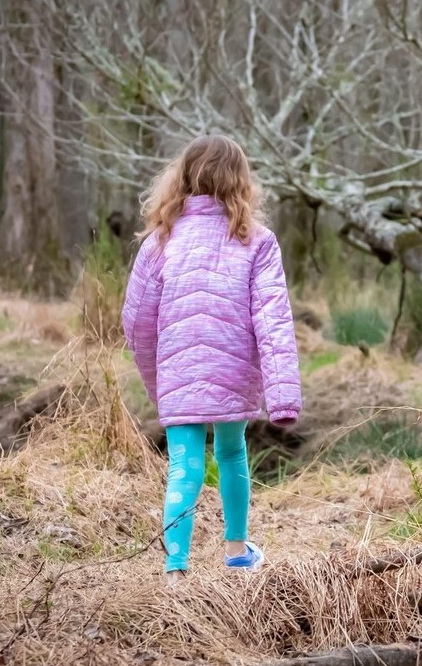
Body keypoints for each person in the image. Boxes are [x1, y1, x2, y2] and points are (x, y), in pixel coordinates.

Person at [121, 135, 302, 583]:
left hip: (178, 369)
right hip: (233, 369)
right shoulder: (256, 241)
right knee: (232, 451)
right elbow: (273, 319)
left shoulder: (160, 241)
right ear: (241, 182)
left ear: (182, 179)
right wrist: (282, 397)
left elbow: (137, 322)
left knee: (184, 463)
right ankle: (237, 550)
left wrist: (155, 378)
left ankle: (174, 568)